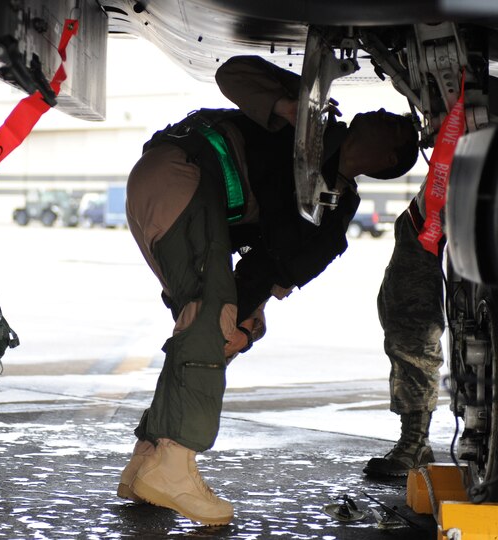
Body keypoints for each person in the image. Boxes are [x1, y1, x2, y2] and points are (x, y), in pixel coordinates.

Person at [117, 55, 419, 525]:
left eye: (399, 129)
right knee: (213, 315)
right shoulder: (312, 120)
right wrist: (290, 104)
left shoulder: (335, 214)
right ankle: (173, 466)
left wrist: (247, 317)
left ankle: (148, 459)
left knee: (215, 325)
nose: (387, 115)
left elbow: (278, 266)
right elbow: (230, 73)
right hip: (188, 173)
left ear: (386, 161)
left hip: (180, 192)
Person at [363, 186, 442, 478]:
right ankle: (414, 442)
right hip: (439, 207)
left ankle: (415, 443)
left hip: (450, 202)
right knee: (409, 315)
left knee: (411, 317)